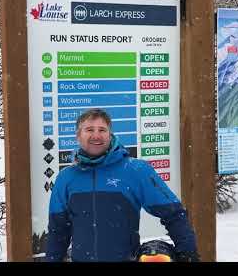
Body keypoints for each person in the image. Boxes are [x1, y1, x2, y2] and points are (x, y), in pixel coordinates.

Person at [46, 108, 200, 262]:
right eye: (89, 130)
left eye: (102, 130)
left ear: (110, 134)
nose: (96, 135)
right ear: (78, 136)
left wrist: (188, 254)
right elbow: (58, 230)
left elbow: (173, 213)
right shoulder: (66, 178)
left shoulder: (135, 170)